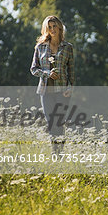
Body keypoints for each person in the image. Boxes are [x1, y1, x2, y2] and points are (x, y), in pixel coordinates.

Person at [30, 15, 74, 154]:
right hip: (45, 91)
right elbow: (33, 69)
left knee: (59, 123)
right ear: (46, 29)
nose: (52, 29)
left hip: (62, 91)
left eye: (54, 26)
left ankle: (59, 155)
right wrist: (47, 73)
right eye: (49, 27)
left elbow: (71, 70)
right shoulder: (40, 47)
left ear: (60, 27)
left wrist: (71, 88)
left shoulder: (68, 48)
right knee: (51, 124)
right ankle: (55, 154)